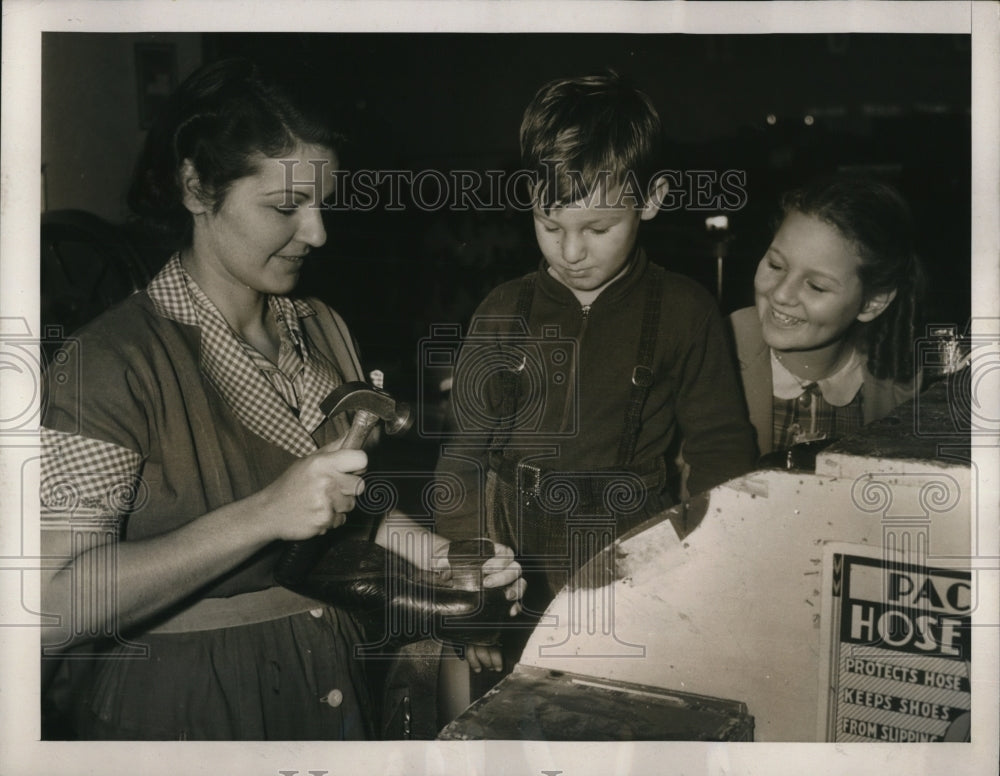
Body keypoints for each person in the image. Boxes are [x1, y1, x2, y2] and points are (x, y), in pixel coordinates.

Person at [39, 57, 523, 741]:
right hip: (182, 714)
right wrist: (264, 513)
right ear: (196, 186)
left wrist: (430, 553)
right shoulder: (109, 363)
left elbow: (337, 517)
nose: (318, 233)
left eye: (324, 203)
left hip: (329, 683)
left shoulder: (322, 329)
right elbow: (53, 605)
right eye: (285, 207)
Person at [432, 73, 758, 678]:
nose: (571, 252)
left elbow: (722, 454)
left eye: (597, 229)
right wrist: (478, 592)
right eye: (549, 225)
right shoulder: (502, 312)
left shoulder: (686, 312)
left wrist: (709, 572)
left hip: (636, 566)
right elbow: (463, 460)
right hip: (516, 573)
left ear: (652, 199)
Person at [729, 174, 923, 458]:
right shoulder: (711, 350)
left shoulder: (902, 386)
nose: (782, 294)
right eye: (775, 265)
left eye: (816, 286)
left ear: (872, 303)